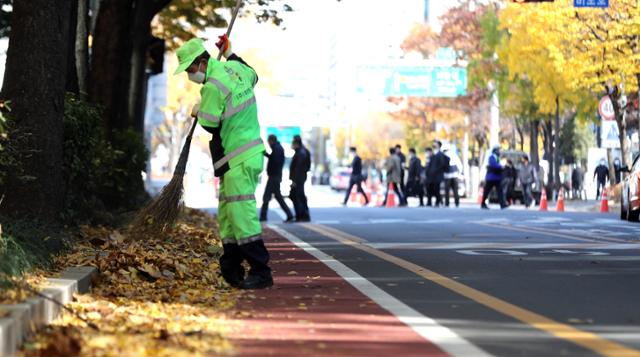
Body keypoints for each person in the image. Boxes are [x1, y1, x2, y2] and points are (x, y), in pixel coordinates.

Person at [175, 36, 271, 289]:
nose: (189, 75)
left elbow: (209, 123)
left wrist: (198, 109)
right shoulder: (236, 68)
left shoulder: (212, 87)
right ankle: (231, 268)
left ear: (203, 62)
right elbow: (253, 75)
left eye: (190, 69)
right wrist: (229, 52)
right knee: (228, 215)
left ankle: (261, 271)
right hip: (242, 155)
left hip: (239, 155)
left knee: (241, 213)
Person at [260, 135, 294, 223]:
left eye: (269, 142)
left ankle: (263, 217)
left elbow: (274, 162)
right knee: (277, 197)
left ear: (272, 141)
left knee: (266, 197)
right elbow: (273, 159)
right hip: (275, 176)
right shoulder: (277, 148)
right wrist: (266, 154)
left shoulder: (277, 149)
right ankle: (289, 215)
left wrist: (266, 155)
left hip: (274, 177)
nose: (269, 144)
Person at [290, 135, 311, 221]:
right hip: (300, 178)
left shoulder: (301, 153)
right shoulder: (302, 151)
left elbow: (298, 168)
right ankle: (301, 215)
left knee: (298, 196)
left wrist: (294, 180)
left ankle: (302, 215)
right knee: (298, 196)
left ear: (296, 143)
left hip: (299, 179)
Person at [425, 141, 448, 207]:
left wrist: (435, 171)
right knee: (431, 188)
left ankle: (438, 201)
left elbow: (441, 165)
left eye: (435, 144)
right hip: (431, 175)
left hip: (437, 175)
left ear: (439, 145)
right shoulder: (433, 154)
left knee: (436, 189)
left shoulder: (440, 154)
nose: (433, 145)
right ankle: (433, 201)